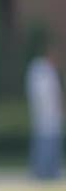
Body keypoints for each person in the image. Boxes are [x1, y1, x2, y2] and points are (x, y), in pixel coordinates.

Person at [26, 39, 62, 181]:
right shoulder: (41, 72)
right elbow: (46, 96)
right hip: (45, 115)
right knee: (45, 144)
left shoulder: (48, 72)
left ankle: (50, 171)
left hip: (50, 116)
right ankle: (42, 171)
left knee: (50, 144)